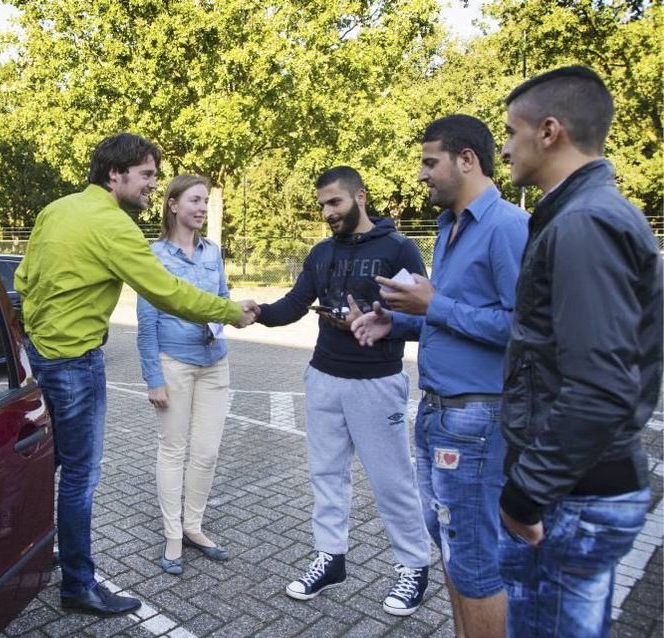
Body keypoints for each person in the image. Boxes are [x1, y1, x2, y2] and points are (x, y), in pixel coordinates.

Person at [15, 133, 258, 616]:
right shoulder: (115, 226)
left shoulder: (56, 210)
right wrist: (229, 311)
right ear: (115, 175)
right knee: (81, 475)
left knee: (52, 464)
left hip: (42, 354)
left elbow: (23, 282)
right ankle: (79, 585)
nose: (152, 185)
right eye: (146, 175)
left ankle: (39, 552)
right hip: (75, 363)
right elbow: (167, 293)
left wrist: (32, 341)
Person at [497, 66, 662, 637]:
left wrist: (526, 494)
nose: (504, 149)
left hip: (572, 499)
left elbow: (600, 387)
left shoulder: (585, 223)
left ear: (549, 131)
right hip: (575, 492)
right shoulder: (581, 215)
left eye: (510, 133)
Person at [351, 115, 528, 638]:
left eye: (430, 162)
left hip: (477, 417)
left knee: (473, 558)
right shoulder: (452, 227)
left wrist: (436, 304)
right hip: (439, 415)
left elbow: (529, 330)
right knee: (452, 545)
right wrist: (395, 323)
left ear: (466, 159)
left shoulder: (508, 228)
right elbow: (448, 317)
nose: (422, 175)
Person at [255, 166, 432, 616]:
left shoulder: (398, 249)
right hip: (324, 378)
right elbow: (294, 305)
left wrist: (378, 326)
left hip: (376, 384)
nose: (327, 213)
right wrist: (254, 313)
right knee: (326, 476)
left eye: (334, 202)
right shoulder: (320, 253)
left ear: (360, 197)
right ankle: (330, 558)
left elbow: (425, 318)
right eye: (322, 206)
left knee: (391, 482)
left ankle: (413, 566)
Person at [137, 174, 232, 576]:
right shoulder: (153, 255)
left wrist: (231, 318)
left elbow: (222, 300)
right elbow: (146, 321)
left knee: (207, 452)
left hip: (215, 364)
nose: (201, 208)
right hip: (173, 363)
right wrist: (153, 377)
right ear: (173, 204)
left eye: (206, 202)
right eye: (194, 200)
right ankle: (173, 534)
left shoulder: (213, 253)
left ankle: (194, 526)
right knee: (173, 449)